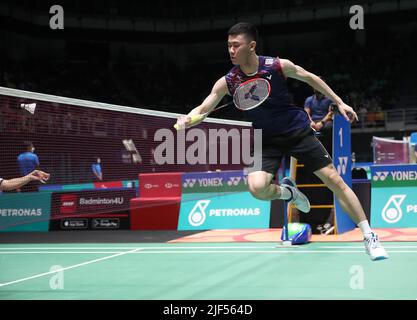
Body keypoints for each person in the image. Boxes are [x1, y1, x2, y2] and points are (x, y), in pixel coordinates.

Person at [175, 22, 388, 260]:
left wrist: (339, 102)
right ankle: (289, 193)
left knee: (334, 179)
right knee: (257, 188)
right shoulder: (229, 80)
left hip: (295, 129)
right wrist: (187, 119)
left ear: (252, 45)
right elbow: (204, 107)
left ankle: (369, 236)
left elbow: (310, 78)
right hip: (264, 138)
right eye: (228, 46)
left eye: (236, 45)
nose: (231, 50)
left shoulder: (276, 66)